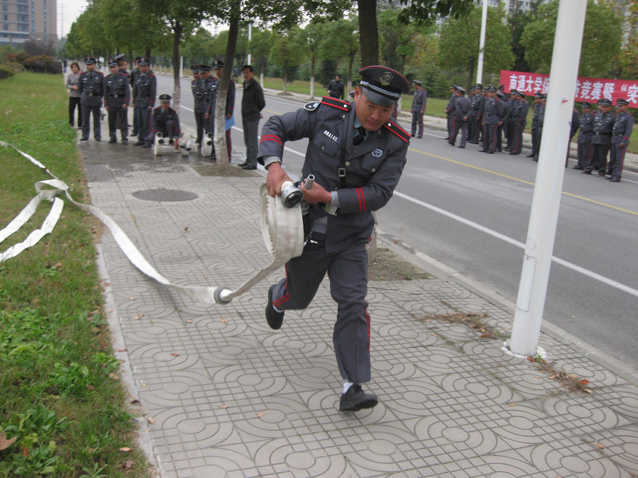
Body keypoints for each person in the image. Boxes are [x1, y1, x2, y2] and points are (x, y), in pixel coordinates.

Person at [258, 65, 411, 412]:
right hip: (308, 233)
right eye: (371, 104)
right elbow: (276, 126)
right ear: (357, 93)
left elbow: (379, 193)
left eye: (385, 110)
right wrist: (273, 164)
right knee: (299, 298)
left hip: (351, 237)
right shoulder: (326, 114)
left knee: (353, 303)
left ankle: (353, 385)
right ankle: (279, 297)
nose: (376, 115)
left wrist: (330, 198)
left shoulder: (395, 142)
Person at [238, 65, 266, 170]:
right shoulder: (245, 84)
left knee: (252, 141)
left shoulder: (255, 86)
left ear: (252, 73)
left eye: (247, 72)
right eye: (244, 73)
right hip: (245, 116)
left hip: (252, 117)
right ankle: (248, 160)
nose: (246, 75)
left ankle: (253, 163)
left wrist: (255, 111)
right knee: (247, 140)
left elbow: (262, 103)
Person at [206, 60, 235, 159]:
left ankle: (227, 156)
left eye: (219, 69)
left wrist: (230, 111)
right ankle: (216, 153)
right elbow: (212, 98)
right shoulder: (215, 81)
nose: (217, 71)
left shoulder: (229, 82)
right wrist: (209, 111)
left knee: (225, 135)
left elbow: (231, 97)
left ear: (223, 69)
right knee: (215, 133)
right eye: (216, 69)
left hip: (224, 113)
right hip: (214, 112)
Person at [582, 98, 614, 176]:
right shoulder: (598, 115)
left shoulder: (612, 117)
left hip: (604, 138)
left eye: (606, 107)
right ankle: (589, 169)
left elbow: (612, 129)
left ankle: (601, 171)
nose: (604, 108)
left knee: (602, 156)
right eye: (603, 106)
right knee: (592, 155)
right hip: (595, 137)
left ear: (610, 107)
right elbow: (594, 126)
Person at [103, 59, 131, 144]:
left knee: (123, 121)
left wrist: (126, 102)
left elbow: (127, 91)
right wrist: (106, 103)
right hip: (112, 102)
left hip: (121, 101)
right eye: (111, 68)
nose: (113, 69)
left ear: (118, 67)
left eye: (114, 67)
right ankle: (112, 137)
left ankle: (124, 137)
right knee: (111, 121)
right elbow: (105, 92)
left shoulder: (123, 77)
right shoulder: (107, 79)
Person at [132, 57, 157, 147]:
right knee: (139, 122)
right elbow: (135, 90)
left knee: (147, 123)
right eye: (141, 66)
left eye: (144, 66)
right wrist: (134, 101)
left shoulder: (151, 77)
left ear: (148, 67)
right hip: (138, 102)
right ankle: (141, 139)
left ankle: (147, 140)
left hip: (146, 102)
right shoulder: (138, 76)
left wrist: (151, 104)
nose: (142, 68)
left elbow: (153, 92)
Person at [78, 57, 104, 142]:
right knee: (85, 119)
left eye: (91, 65)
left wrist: (99, 96)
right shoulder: (82, 75)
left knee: (96, 119)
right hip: (86, 99)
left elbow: (102, 89)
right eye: (88, 65)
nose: (89, 66)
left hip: (96, 99)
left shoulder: (100, 75)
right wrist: (84, 96)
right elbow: (80, 88)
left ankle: (97, 135)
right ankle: (85, 135)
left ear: (94, 65)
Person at [607, 98, 633, 182]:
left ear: (625, 106)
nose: (619, 108)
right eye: (618, 106)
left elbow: (628, 130)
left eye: (621, 106)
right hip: (614, 138)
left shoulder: (628, 116)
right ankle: (613, 174)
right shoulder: (618, 115)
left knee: (619, 159)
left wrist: (624, 140)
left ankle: (617, 176)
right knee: (613, 158)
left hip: (620, 139)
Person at [480, 87, 504, 154]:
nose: (490, 94)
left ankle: (491, 149)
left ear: (495, 93)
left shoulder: (497, 101)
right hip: (487, 119)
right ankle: (485, 147)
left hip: (493, 120)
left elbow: (500, 112)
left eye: (492, 92)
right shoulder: (487, 100)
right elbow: (485, 111)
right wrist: (483, 119)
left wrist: (499, 119)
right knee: (486, 135)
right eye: (490, 92)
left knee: (492, 135)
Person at [574, 102, 595, 170]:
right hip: (581, 135)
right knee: (580, 151)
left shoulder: (592, 116)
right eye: (583, 108)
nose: (584, 110)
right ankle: (580, 164)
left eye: (585, 108)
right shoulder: (582, 116)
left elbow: (593, 126)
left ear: (589, 108)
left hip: (588, 135)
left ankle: (585, 165)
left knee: (586, 152)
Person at [508, 91, 528, 156]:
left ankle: (516, 149)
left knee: (517, 135)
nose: (516, 97)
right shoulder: (519, 103)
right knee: (515, 135)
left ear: (520, 96)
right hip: (515, 120)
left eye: (517, 96)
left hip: (519, 121)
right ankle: (514, 147)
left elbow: (523, 113)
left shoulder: (524, 103)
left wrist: (520, 120)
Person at [66, 62, 83, 128]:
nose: (74, 69)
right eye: (72, 67)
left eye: (75, 67)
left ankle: (80, 124)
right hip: (72, 94)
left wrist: (78, 87)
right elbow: (67, 84)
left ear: (78, 68)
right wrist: (72, 87)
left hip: (79, 95)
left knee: (80, 110)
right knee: (71, 109)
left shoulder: (81, 75)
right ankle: (71, 123)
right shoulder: (70, 76)